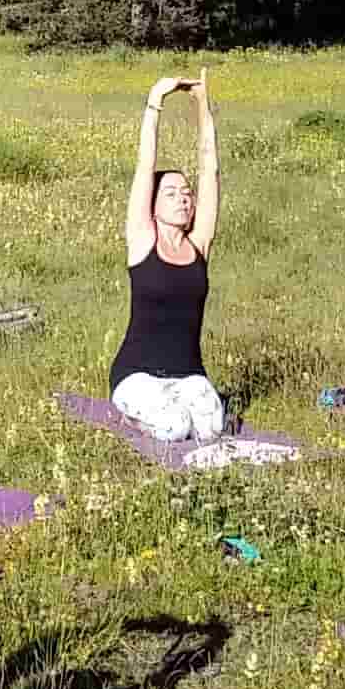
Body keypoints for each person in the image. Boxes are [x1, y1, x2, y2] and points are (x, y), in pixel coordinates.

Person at [109, 74, 223, 443]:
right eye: (171, 192)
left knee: (211, 430)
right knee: (174, 428)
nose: (183, 198)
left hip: (188, 374)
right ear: (154, 204)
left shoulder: (199, 244)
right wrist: (155, 99)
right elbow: (145, 166)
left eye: (186, 193)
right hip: (137, 374)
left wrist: (202, 104)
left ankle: (175, 407)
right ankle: (129, 415)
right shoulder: (143, 240)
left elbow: (210, 168)